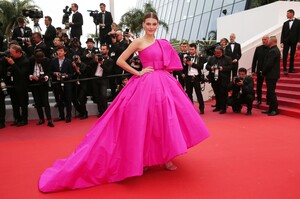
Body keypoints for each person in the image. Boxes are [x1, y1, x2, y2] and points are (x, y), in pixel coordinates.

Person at [38, 12, 210, 193]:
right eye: (148, 24)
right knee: (144, 122)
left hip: (164, 85)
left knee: (164, 121)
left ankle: (166, 157)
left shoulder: (163, 43)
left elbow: (170, 63)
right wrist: (138, 73)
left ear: (157, 25)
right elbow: (120, 60)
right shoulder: (138, 42)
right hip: (146, 85)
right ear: (143, 25)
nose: (151, 27)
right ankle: (143, 158)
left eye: (154, 24)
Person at [4, 44, 30, 126]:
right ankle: (17, 119)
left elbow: (21, 73)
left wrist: (13, 64)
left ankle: (24, 120)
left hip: (22, 85)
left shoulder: (25, 61)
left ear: (18, 52)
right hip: (12, 85)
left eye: (12, 53)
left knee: (23, 103)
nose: (11, 55)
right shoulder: (12, 58)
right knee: (14, 103)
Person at [29, 50, 54, 127]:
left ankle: (49, 120)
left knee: (46, 102)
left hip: (43, 84)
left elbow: (49, 71)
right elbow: (28, 72)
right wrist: (32, 76)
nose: (40, 61)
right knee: (37, 103)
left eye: (41, 59)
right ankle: (41, 119)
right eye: (39, 59)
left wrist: (46, 76)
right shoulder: (31, 60)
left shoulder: (46, 60)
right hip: (34, 84)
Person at [51, 46, 75, 123]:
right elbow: (50, 72)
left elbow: (72, 74)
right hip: (57, 83)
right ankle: (61, 116)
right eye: (58, 51)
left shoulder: (69, 61)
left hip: (67, 83)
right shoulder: (53, 61)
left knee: (68, 100)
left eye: (61, 51)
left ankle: (68, 116)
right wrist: (55, 73)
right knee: (59, 100)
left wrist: (67, 75)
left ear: (65, 52)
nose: (59, 52)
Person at [206, 46, 232, 114]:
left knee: (223, 93)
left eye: (219, 53)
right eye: (216, 53)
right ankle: (218, 106)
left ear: (222, 52)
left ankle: (223, 108)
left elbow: (230, 67)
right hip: (214, 78)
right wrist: (211, 67)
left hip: (223, 78)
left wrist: (222, 68)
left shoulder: (227, 58)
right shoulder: (211, 58)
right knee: (216, 93)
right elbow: (207, 66)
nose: (217, 54)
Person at [184, 43, 206, 114]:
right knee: (189, 93)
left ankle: (201, 108)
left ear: (195, 49)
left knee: (198, 93)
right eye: (190, 49)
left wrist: (192, 64)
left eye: (192, 49)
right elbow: (183, 68)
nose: (191, 51)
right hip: (188, 77)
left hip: (196, 77)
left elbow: (201, 66)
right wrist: (184, 63)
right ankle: (191, 108)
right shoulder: (186, 57)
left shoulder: (200, 57)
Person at [262, 36, 280, 116]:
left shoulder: (273, 51)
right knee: (270, 92)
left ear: (271, 41)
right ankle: (271, 109)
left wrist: (263, 72)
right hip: (272, 74)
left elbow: (269, 64)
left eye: (268, 40)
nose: (267, 41)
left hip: (271, 75)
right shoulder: (274, 50)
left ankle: (275, 109)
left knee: (271, 92)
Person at [280, 9, 300, 74]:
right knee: (285, 55)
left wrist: (299, 41)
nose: (287, 15)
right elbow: (283, 33)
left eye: (288, 13)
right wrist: (281, 42)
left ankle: (291, 69)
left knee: (292, 55)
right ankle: (285, 69)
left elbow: (299, 32)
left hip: (294, 41)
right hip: (286, 41)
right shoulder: (285, 23)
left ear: (292, 14)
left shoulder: (298, 22)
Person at [251, 35, 269, 106]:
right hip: (259, 70)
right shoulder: (258, 48)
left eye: (265, 39)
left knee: (269, 86)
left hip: (268, 70)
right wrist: (253, 70)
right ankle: (259, 99)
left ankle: (268, 100)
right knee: (259, 86)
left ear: (268, 39)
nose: (263, 41)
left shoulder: (271, 48)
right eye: (262, 39)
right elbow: (254, 60)